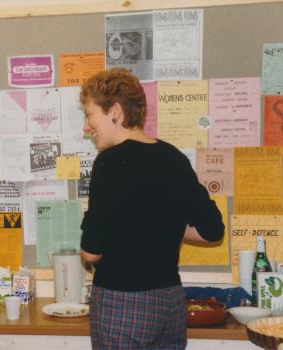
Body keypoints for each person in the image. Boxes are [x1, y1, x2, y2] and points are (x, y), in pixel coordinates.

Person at [79, 68, 224, 350]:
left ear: (115, 112)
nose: (86, 126)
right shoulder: (174, 158)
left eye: (89, 114)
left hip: (123, 304)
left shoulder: (109, 163)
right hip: (170, 303)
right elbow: (211, 231)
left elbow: (91, 252)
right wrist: (159, 225)